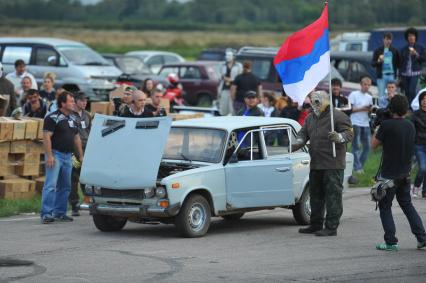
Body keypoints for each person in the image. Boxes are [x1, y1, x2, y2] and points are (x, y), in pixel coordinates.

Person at [293, 91, 353, 236]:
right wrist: (299, 141)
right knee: (315, 196)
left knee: (333, 196)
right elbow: (302, 133)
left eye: (318, 101)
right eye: (313, 101)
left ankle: (331, 227)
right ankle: (315, 224)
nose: (315, 104)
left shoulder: (338, 116)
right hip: (316, 163)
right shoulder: (310, 118)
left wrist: (339, 137)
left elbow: (349, 133)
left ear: (327, 101)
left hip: (333, 163)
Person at [371, 95, 426, 251]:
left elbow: (373, 145)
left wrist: (377, 126)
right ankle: (422, 237)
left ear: (391, 108)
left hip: (389, 175)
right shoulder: (410, 125)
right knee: (407, 205)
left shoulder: (386, 125)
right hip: (405, 173)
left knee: (385, 207)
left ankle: (391, 242)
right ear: (405, 109)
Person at [40, 91, 84, 224]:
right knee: (51, 185)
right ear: (63, 103)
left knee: (66, 186)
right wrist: (49, 156)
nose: (73, 103)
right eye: (71, 101)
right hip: (56, 154)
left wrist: (81, 156)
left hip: (68, 156)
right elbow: (46, 137)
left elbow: (76, 138)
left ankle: (60, 212)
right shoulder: (52, 117)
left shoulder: (73, 118)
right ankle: (46, 214)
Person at [69, 92, 91, 216]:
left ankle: (88, 202)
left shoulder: (87, 115)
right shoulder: (70, 115)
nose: (85, 102)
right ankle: (74, 205)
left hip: (87, 150)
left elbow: (91, 132)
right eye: (82, 100)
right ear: (76, 101)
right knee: (74, 177)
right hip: (74, 152)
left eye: (86, 100)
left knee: (86, 177)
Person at [349, 76, 373, 174]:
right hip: (355, 122)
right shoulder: (354, 94)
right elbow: (350, 109)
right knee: (356, 146)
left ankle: (359, 166)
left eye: (368, 85)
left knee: (367, 146)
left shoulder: (370, 97)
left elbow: (369, 111)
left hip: (365, 123)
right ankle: (357, 167)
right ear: (361, 85)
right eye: (365, 84)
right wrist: (362, 108)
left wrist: (370, 110)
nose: (366, 87)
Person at [372, 33, 400, 108]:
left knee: (393, 94)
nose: (388, 41)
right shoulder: (378, 50)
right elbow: (373, 63)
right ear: (383, 40)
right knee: (381, 95)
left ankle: (394, 109)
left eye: (390, 39)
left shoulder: (394, 50)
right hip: (381, 76)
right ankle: (382, 110)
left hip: (392, 75)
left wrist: (398, 76)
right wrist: (379, 61)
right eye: (386, 39)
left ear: (391, 41)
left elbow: (399, 64)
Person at [400, 27, 426, 106]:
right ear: (407, 38)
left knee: (412, 90)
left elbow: (424, 59)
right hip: (405, 74)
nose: (411, 37)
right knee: (407, 92)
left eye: (413, 36)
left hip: (415, 73)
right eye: (409, 36)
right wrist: (399, 75)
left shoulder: (420, 47)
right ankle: (408, 108)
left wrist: (416, 54)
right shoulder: (403, 49)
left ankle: (414, 107)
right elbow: (400, 62)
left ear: (415, 37)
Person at [411, 90, 426, 199]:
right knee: (423, 168)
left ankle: (425, 192)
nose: (425, 102)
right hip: (419, 145)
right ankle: (416, 187)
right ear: (420, 101)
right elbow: (411, 130)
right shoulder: (415, 115)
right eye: (423, 100)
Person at [218, 50, 243, 116]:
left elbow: (240, 76)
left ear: (233, 57)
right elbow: (219, 75)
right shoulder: (222, 65)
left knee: (232, 107)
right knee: (223, 107)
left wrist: (231, 80)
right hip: (224, 88)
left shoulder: (238, 65)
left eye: (229, 55)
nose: (227, 57)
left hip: (234, 89)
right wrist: (223, 77)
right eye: (226, 55)